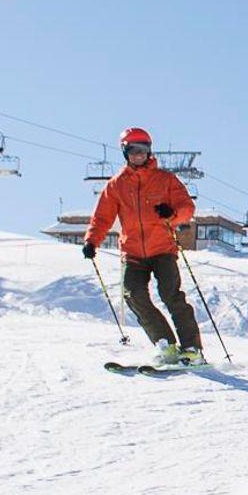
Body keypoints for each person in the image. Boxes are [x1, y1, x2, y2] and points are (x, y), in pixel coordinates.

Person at [82, 127, 204, 366]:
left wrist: (172, 214)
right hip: (133, 252)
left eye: (143, 150)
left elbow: (187, 208)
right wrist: (91, 240)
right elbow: (102, 218)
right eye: (133, 150)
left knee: (171, 294)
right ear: (125, 152)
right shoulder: (116, 185)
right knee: (133, 294)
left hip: (163, 249)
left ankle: (192, 348)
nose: (138, 154)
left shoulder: (165, 180)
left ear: (149, 151)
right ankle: (166, 344)